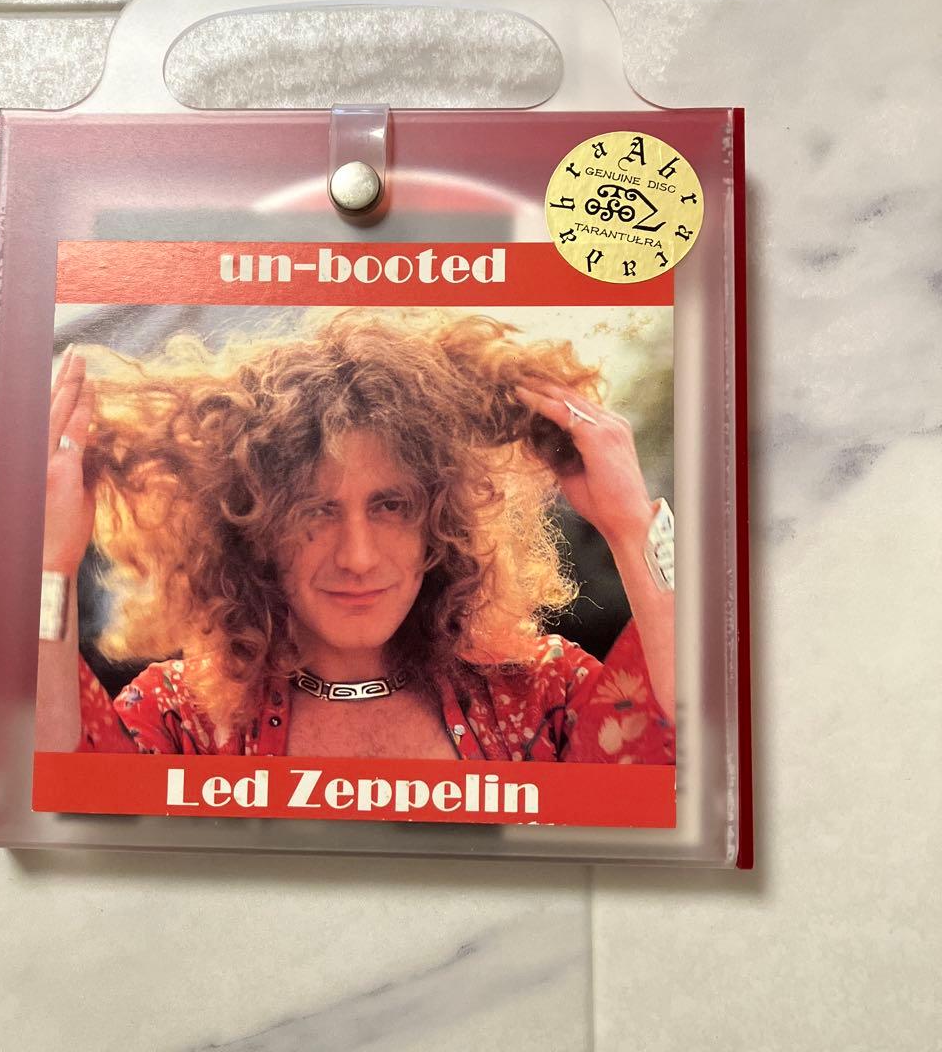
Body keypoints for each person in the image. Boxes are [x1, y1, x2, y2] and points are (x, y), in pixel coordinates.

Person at [36, 308, 674, 764]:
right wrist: (48, 565)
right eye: (314, 512)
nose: (358, 557)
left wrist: (632, 529)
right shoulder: (182, 720)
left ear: (442, 524)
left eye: (391, 506)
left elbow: (689, 762)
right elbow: (54, 795)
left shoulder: (539, 696)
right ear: (252, 531)